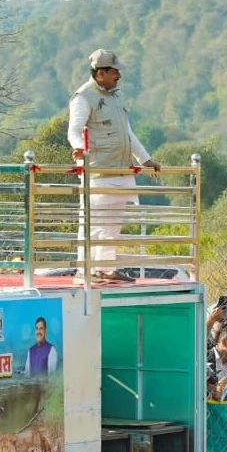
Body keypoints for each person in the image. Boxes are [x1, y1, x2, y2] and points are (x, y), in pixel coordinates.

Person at [67, 49, 161, 283]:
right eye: (114, 70)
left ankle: (106, 269)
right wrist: (80, 149)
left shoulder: (115, 97)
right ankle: (86, 270)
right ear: (101, 73)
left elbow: (127, 133)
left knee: (112, 223)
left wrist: (145, 159)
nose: (119, 75)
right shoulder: (83, 97)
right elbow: (74, 130)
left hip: (120, 169)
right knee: (94, 222)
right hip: (98, 169)